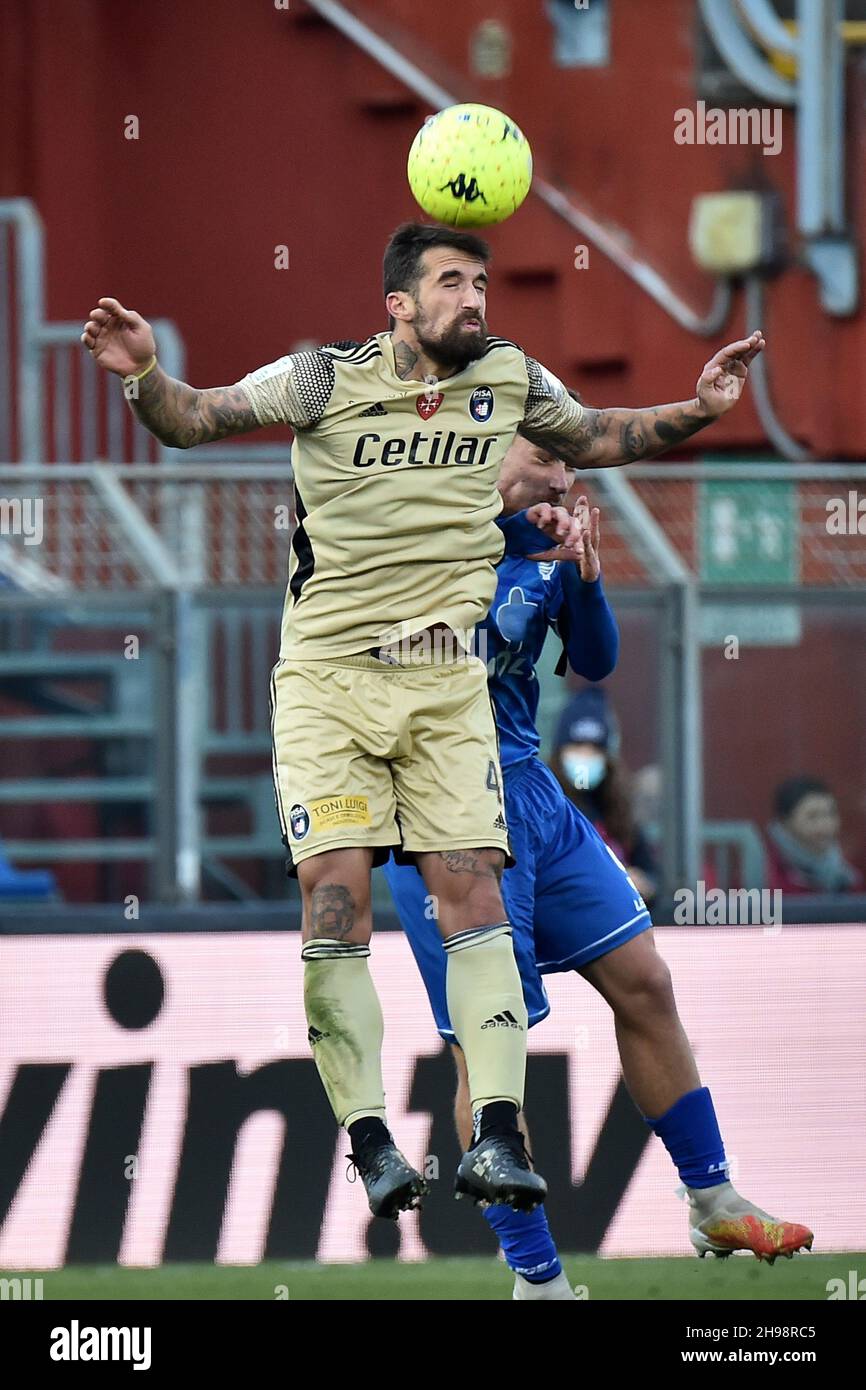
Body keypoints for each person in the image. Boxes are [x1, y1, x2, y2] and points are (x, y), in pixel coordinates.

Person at [81, 219, 765, 1224]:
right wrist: (142, 376)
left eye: (481, 281)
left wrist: (698, 409)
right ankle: (367, 1140)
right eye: (451, 281)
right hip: (328, 679)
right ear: (397, 303)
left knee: (469, 888)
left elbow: (600, 435)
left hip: (444, 687)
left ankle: (493, 1133)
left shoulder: (507, 378)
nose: (474, 298)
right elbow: (191, 419)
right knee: (335, 901)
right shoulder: (321, 380)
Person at [387, 426, 812, 1299]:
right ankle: (538, 1280)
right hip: (443, 810)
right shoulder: (419, 533)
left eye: (573, 463)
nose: (566, 477)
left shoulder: (547, 542)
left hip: (532, 795)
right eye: (548, 458)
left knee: (646, 980)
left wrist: (582, 573)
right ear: (491, 451)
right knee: (488, 1052)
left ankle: (711, 1196)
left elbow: (597, 662)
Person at [552, 685, 659, 905]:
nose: (585, 755)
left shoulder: (617, 808)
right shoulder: (546, 805)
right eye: (577, 746)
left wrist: (643, 882)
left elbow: (652, 876)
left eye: (594, 748)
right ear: (560, 751)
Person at [767, 776, 862, 894]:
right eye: (813, 816)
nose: (825, 824)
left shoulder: (846, 873)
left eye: (831, 814)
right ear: (785, 822)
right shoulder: (766, 873)